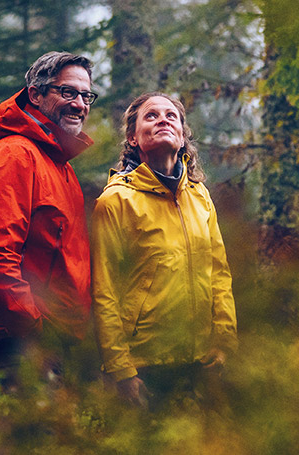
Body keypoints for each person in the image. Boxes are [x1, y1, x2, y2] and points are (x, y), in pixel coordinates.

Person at [91, 92, 238, 411]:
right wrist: (121, 370)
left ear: (184, 137)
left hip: (202, 364)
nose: (163, 120)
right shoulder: (115, 202)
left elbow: (220, 279)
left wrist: (224, 344)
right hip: (144, 368)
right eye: (151, 115)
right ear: (132, 138)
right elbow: (104, 292)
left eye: (171, 115)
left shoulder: (201, 198)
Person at [0, 51, 97, 384]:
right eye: (67, 92)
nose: (79, 104)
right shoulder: (13, 155)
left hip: (57, 344)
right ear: (36, 95)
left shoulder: (61, 167)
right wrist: (36, 333)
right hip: (22, 344)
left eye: (86, 96)